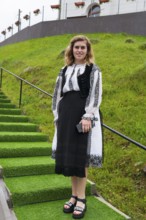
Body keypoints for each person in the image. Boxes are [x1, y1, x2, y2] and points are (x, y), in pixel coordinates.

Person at [52, 35, 103, 219]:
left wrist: (88, 116)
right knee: (69, 156)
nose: (79, 50)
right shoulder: (64, 70)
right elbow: (57, 94)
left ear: (87, 50)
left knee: (80, 157)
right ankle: (73, 195)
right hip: (66, 113)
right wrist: (57, 115)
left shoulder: (93, 70)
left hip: (83, 115)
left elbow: (95, 95)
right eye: (76, 47)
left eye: (83, 47)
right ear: (71, 49)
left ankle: (82, 198)